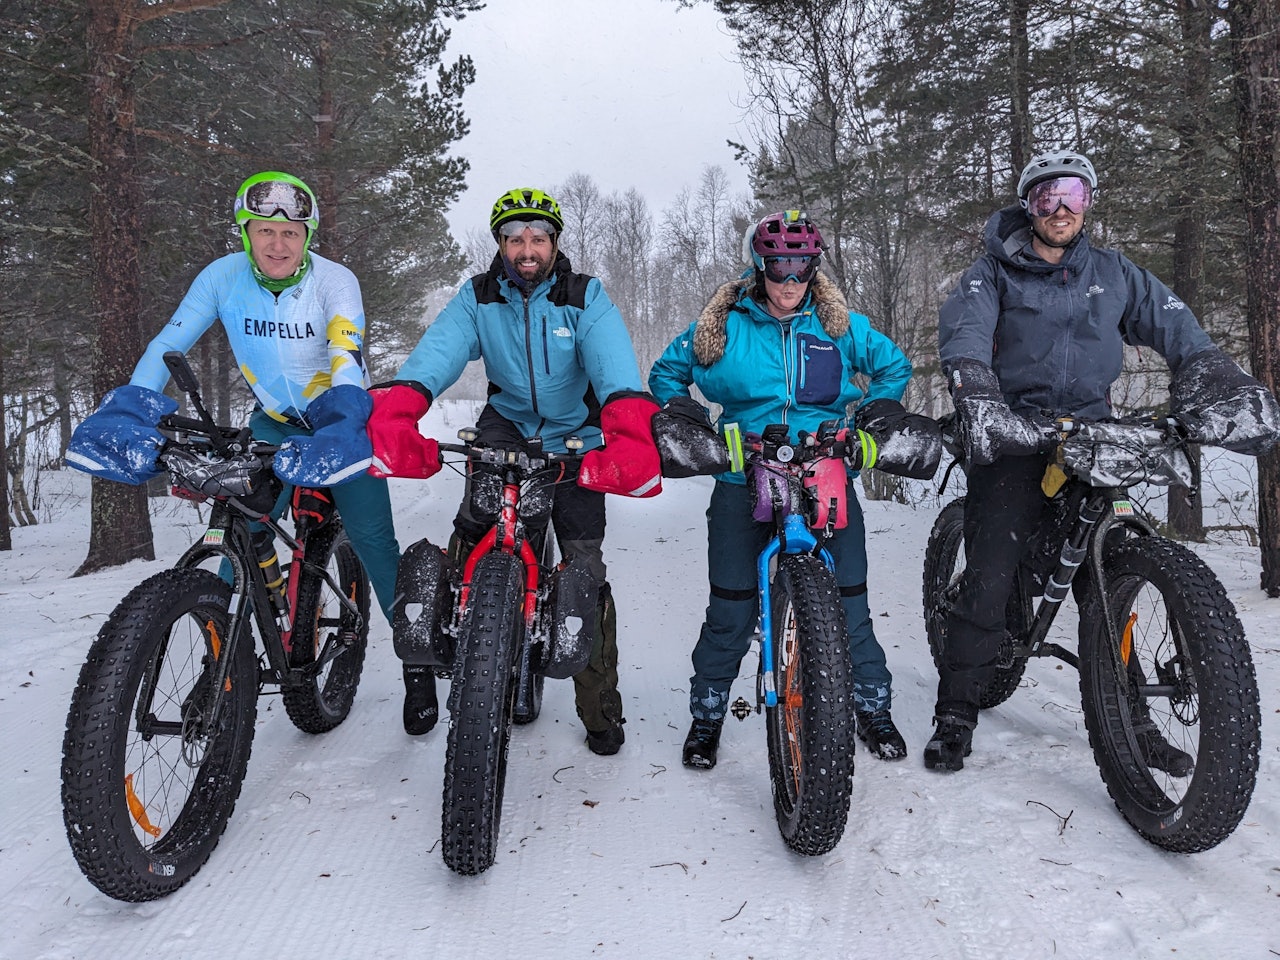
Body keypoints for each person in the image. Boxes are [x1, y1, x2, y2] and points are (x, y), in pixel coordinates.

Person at [928, 148, 1280, 772]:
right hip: (1014, 435)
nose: (1060, 209)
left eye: (1072, 195)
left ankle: (1132, 719)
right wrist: (978, 398)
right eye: (1045, 197)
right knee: (989, 573)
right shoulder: (992, 274)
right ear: (1027, 206)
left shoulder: (1115, 273)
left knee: (1107, 579)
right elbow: (965, 335)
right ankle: (955, 711)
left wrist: (1209, 374)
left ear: (1087, 202)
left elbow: (1180, 331)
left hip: (1092, 435)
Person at [65, 171, 420, 729]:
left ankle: (416, 662)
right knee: (232, 527)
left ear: (309, 235)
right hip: (273, 423)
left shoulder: (335, 280)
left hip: (341, 419)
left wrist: (345, 417)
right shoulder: (223, 277)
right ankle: (223, 655)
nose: (278, 243)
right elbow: (168, 343)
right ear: (245, 230)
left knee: (374, 539)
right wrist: (132, 405)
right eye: (264, 230)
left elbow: (344, 355)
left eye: (292, 231)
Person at [362, 187, 663, 756]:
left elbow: (614, 367)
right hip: (506, 423)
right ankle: (427, 666)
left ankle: (599, 709)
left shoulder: (583, 296)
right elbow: (438, 353)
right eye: (515, 238)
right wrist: (403, 403)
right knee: (466, 542)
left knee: (584, 567)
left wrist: (626, 424)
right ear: (500, 245)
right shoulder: (478, 297)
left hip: (575, 430)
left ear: (554, 244)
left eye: (538, 238)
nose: (527, 248)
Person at [649, 210, 931, 769]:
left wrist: (871, 416)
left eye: (801, 265)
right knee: (730, 607)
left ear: (813, 267)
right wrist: (693, 420)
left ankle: (872, 708)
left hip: (824, 470)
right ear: (760, 265)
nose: (789, 278)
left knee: (850, 602)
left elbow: (894, 366)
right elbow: (665, 373)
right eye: (778, 264)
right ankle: (707, 715)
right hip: (741, 472)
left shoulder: (837, 324)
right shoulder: (722, 325)